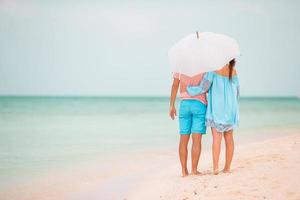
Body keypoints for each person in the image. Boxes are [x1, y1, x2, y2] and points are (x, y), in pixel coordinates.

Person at [187, 59, 239, 175]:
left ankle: (215, 168)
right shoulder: (233, 71)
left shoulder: (212, 71)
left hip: (216, 108)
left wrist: (190, 89)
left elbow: (203, 88)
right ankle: (227, 168)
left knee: (216, 138)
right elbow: (237, 91)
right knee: (229, 138)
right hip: (230, 109)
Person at [169, 72, 207, 177]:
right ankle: (194, 170)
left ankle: (184, 171)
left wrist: (172, 105)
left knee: (183, 138)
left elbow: (175, 85)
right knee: (196, 139)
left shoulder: (180, 67)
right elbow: (207, 87)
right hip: (199, 104)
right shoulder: (204, 67)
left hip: (184, 104)